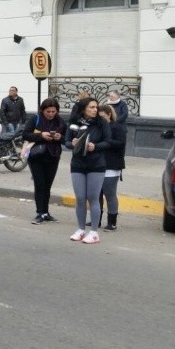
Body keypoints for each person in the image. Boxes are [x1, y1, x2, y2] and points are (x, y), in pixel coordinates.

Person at [64, 97, 112, 244]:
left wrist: (95, 147)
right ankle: (80, 229)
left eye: (96, 107)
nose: (95, 110)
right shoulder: (74, 123)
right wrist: (72, 144)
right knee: (79, 197)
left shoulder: (101, 123)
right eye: (91, 107)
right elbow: (66, 142)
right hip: (78, 164)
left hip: (96, 165)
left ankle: (94, 232)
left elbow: (108, 142)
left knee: (93, 197)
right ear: (84, 108)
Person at [21, 98, 67, 224]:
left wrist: (59, 137)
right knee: (40, 184)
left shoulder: (61, 122)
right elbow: (25, 134)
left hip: (53, 156)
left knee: (47, 186)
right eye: (48, 111)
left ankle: (46, 212)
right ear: (43, 110)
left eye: (53, 111)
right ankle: (40, 213)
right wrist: (41, 135)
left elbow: (67, 138)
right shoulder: (35, 119)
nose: (51, 114)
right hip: (36, 157)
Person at [97, 103, 126, 231]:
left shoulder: (117, 127)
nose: (100, 119)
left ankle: (112, 222)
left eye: (102, 116)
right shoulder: (97, 128)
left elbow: (120, 144)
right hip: (97, 164)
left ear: (109, 115)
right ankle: (96, 220)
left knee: (109, 193)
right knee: (96, 194)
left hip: (112, 165)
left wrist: (106, 141)